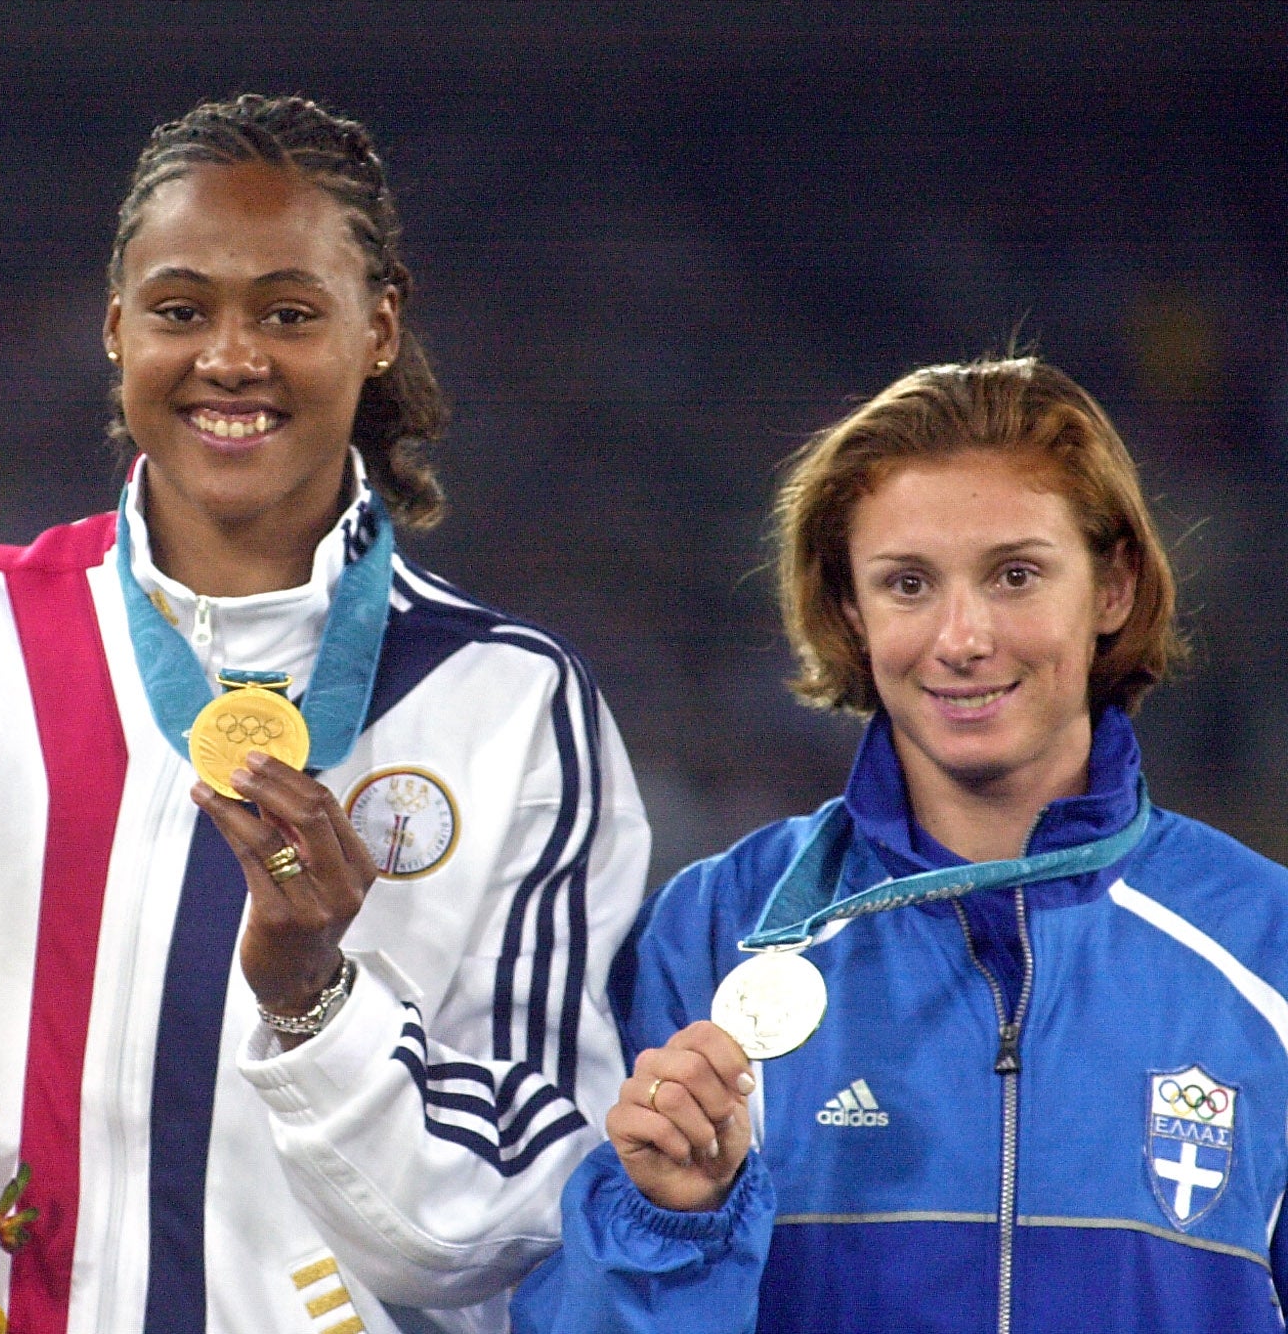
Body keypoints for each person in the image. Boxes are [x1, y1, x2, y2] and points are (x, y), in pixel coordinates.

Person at [0, 94, 651, 1334]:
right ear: (115, 327)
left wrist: (316, 1003)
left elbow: (527, 1196)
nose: (231, 357)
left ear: (378, 328)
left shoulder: (504, 703)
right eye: (180, 310)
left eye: (288, 312)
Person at [513, 356, 1288, 1333]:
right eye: (907, 583)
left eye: (1014, 575)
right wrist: (673, 1222)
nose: (961, 637)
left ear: (1112, 587)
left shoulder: (1264, 944)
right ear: (849, 607)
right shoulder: (713, 932)